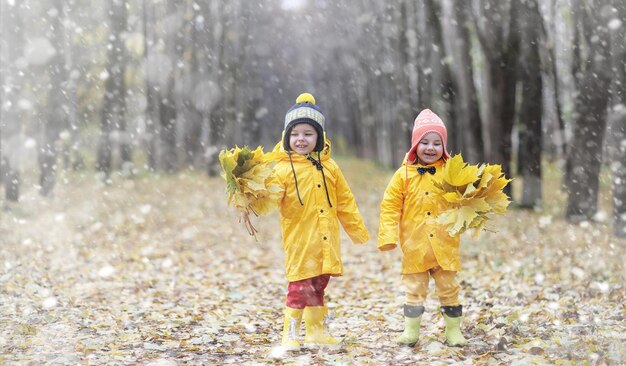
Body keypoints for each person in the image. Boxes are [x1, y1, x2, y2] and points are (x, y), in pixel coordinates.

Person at [271, 92, 370, 350]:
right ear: (286, 137)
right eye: (295, 134)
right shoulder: (281, 169)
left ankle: (316, 332)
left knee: (318, 286)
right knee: (299, 286)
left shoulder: (330, 167)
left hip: (325, 241)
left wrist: (357, 232)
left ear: (319, 138)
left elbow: (345, 201)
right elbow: (269, 197)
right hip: (300, 240)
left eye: (308, 134)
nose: (301, 139)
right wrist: (253, 197)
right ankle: (289, 333)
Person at [377, 109, 468, 347]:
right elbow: (390, 206)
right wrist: (387, 236)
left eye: (437, 143)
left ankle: (453, 331)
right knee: (414, 291)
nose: (430, 147)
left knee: (449, 289)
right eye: (424, 142)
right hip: (415, 247)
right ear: (415, 145)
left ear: (444, 147)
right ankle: (411, 330)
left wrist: (470, 212)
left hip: (445, 245)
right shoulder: (403, 175)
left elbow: (467, 200)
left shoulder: (451, 173)